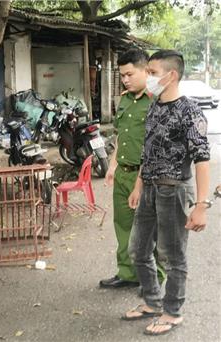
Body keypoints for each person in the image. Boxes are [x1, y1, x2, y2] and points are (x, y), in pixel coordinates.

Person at [122, 50, 210, 336]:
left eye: (153, 72)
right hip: (148, 189)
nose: (148, 77)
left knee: (172, 256)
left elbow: (202, 159)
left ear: (171, 75)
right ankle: (152, 302)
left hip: (173, 191)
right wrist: (138, 185)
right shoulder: (155, 106)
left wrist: (200, 205)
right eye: (147, 71)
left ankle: (172, 312)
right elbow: (148, 152)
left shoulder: (190, 111)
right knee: (138, 249)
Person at [100, 49, 166, 289]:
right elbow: (120, 136)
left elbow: (153, 147)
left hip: (145, 176)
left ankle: (154, 278)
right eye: (122, 75)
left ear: (145, 71)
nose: (125, 79)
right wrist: (112, 165)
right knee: (123, 226)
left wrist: (140, 181)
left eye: (129, 74)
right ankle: (128, 274)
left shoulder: (156, 101)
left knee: (147, 230)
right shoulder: (125, 99)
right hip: (122, 173)